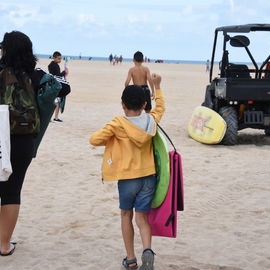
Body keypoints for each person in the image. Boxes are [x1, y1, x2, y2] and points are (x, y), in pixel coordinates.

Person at [90, 74, 165, 270]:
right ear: (144, 104)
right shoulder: (150, 120)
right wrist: (157, 87)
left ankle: (131, 259)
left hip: (127, 179)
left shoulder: (118, 123)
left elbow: (94, 139)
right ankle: (147, 251)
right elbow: (160, 109)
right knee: (142, 218)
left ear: (122, 104)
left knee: (126, 216)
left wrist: (113, 137)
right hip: (148, 177)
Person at [0, 31, 40, 256]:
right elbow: (64, 87)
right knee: (12, 192)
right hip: (23, 140)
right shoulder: (35, 75)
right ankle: (4, 245)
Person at [48, 51, 66, 122]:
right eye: (58, 58)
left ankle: (53, 117)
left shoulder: (51, 64)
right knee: (56, 102)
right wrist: (64, 72)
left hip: (52, 84)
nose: (60, 60)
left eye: (60, 59)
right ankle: (55, 117)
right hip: (55, 85)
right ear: (54, 58)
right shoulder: (54, 65)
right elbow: (58, 76)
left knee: (54, 102)